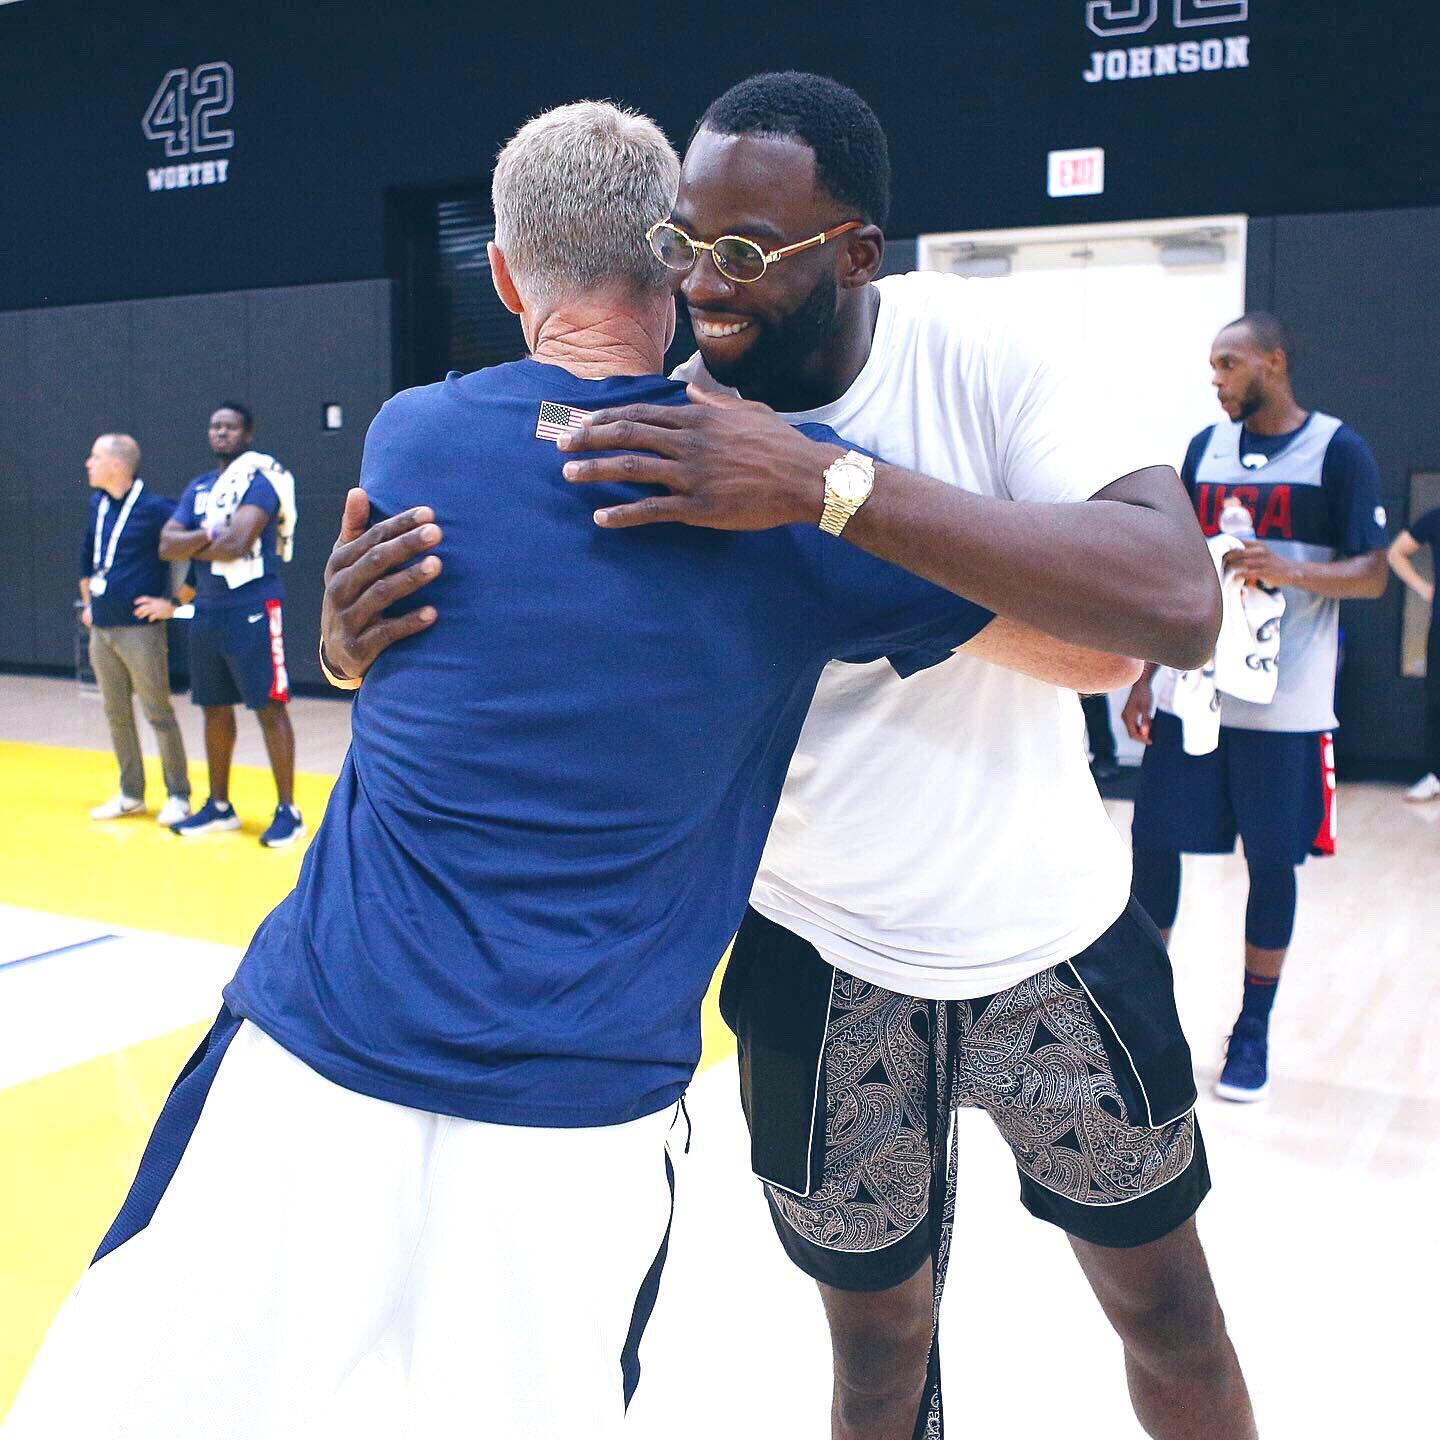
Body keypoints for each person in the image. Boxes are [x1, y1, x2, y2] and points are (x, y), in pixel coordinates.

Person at [3, 101, 1134, 1440]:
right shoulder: (782, 501)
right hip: (578, 1108)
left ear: (500, 275)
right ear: (682, 266)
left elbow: (460, 613)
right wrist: (850, 517)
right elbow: (1096, 654)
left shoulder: (414, 438)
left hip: (315, 1050)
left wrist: (346, 654)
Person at [324, 72, 1244, 1440]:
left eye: (747, 254)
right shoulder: (660, 425)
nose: (704, 282)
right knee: (877, 1359)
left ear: (856, 252)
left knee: (1169, 1316)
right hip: (817, 948)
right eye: (686, 242)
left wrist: (824, 494)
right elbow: (504, 622)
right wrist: (347, 646)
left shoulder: (983, 349)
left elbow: (1161, 613)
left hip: (1047, 930)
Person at [1123, 312, 1389, 1107]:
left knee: (1272, 865)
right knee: (1152, 850)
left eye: (1228, 363)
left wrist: (1292, 571)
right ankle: (1147, 1026)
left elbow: (1373, 573)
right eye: (1213, 365)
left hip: (1285, 706)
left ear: (1273, 362)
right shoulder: (1204, 451)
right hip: (1195, 692)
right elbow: (1179, 571)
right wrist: (1145, 674)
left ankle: (1252, 1030)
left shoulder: (1338, 450)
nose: (1217, 379)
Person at [159, 404, 303, 847]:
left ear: (247, 434)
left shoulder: (260, 481)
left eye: (230, 427)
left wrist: (194, 541)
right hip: (206, 609)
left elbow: (237, 544)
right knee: (213, 708)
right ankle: (220, 807)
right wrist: (209, 536)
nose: (221, 433)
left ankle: (288, 811)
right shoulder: (200, 486)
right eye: (215, 426)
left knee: (269, 707)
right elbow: (165, 545)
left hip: (252, 605)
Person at [78, 433, 191, 827]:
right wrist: (89, 603)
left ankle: (178, 795)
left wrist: (174, 603)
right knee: (116, 713)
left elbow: (194, 548)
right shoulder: (97, 504)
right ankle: (131, 793)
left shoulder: (155, 508)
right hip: (102, 628)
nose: (88, 464)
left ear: (116, 465)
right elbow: (87, 558)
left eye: (95, 457)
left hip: (140, 631)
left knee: (157, 711)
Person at [1387, 509, 1440, 800]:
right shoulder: (1435, 518)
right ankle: (1435, 776)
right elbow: (1396, 552)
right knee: (1436, 701)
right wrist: (1425, 589)